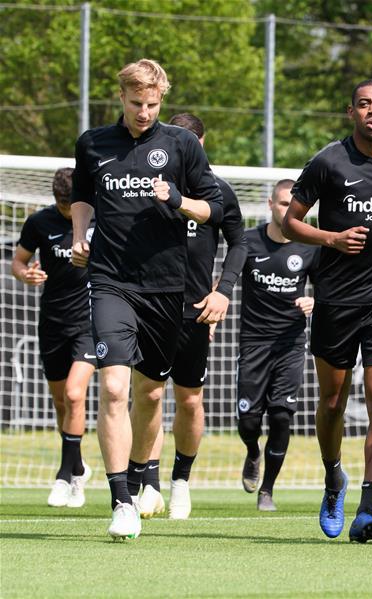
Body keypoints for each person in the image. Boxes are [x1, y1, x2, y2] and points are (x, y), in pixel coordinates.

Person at [70, 59, 223, 540]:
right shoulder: (93, 143)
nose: (143, 112)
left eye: (152, 105)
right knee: (114, 388)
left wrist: (176, 200)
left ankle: (144, 477)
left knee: (150, 393)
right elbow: (81, 195)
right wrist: (79, 235)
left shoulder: (179, 145)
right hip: (111, 281)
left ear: (162, 100)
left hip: (166, 289)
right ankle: (121, 502)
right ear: (121, 97)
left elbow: (214, 207)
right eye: (136, 103)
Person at [283, 79, 372, 542]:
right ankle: (333, 478)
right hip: (335, 301)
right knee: (332, 402)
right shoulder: (329, 161)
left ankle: (367, 508)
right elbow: (290, 222)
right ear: (352, 112)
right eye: (364, 104)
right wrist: (332, 239)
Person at [135, 113, 247, 520]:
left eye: (190, 142)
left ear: (200, 142)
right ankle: (146, 482)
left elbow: (239, 244)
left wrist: (223, 292)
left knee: (189, 399)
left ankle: (180, 482)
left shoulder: (218, 191)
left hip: (196, 311)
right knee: (147, 395)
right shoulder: (148, 184)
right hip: (150, 305)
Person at [12, 167, 96, 508]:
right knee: (62, 403)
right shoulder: (39, 222)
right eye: (62, 204)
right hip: (52, 323)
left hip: (90, 322)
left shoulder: (99, 219)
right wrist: (26, 274)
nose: (66, 209)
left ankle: (68, 477)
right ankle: (78, 463)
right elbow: (18, 261)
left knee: (76, 396)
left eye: (70, 203)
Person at [237, 180, 317, 511]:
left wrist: (315, 302)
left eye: (293, 206)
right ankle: (253, 451)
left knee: (282, 416)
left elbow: (328, 289)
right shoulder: (249, 241)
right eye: (283, 204)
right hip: (254, 342)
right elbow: (226, 276)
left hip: (290, 343)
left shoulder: (311, 246)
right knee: (248, 422)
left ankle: (267, 489)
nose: (288, 211)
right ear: (271, 204)